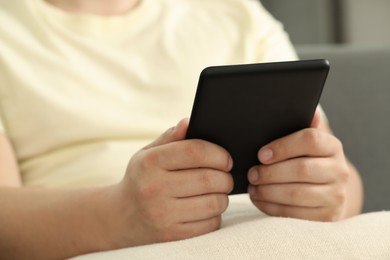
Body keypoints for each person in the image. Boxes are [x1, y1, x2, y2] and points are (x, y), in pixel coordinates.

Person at [0, 0, 363, 259]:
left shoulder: (236, 14)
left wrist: (327, 191)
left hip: (288, 237)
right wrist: (120, 214)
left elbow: (341, 177)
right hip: (105, 245)